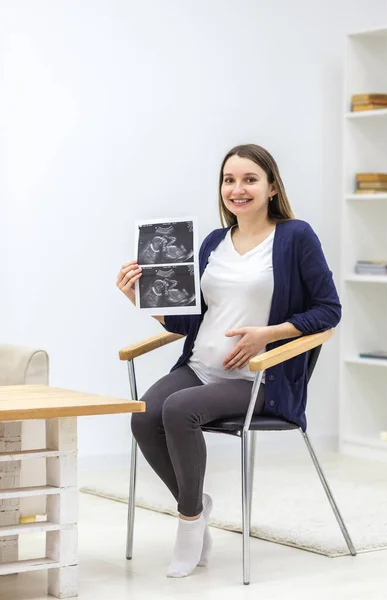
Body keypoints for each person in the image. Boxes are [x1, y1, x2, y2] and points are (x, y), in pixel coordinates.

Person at [116, 143, 341, 578]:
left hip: (261, 379)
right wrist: (139, 298)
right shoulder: (214, 242)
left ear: (272, 187)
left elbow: (328, 310)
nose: (237, 189)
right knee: (145, 413)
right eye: (229, 180)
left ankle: (188, 524)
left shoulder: (296, 236)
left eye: (250, 179)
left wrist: (268, 336)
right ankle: (197, 505)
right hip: (200, 366)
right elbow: (190, 322)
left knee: (179, 410)